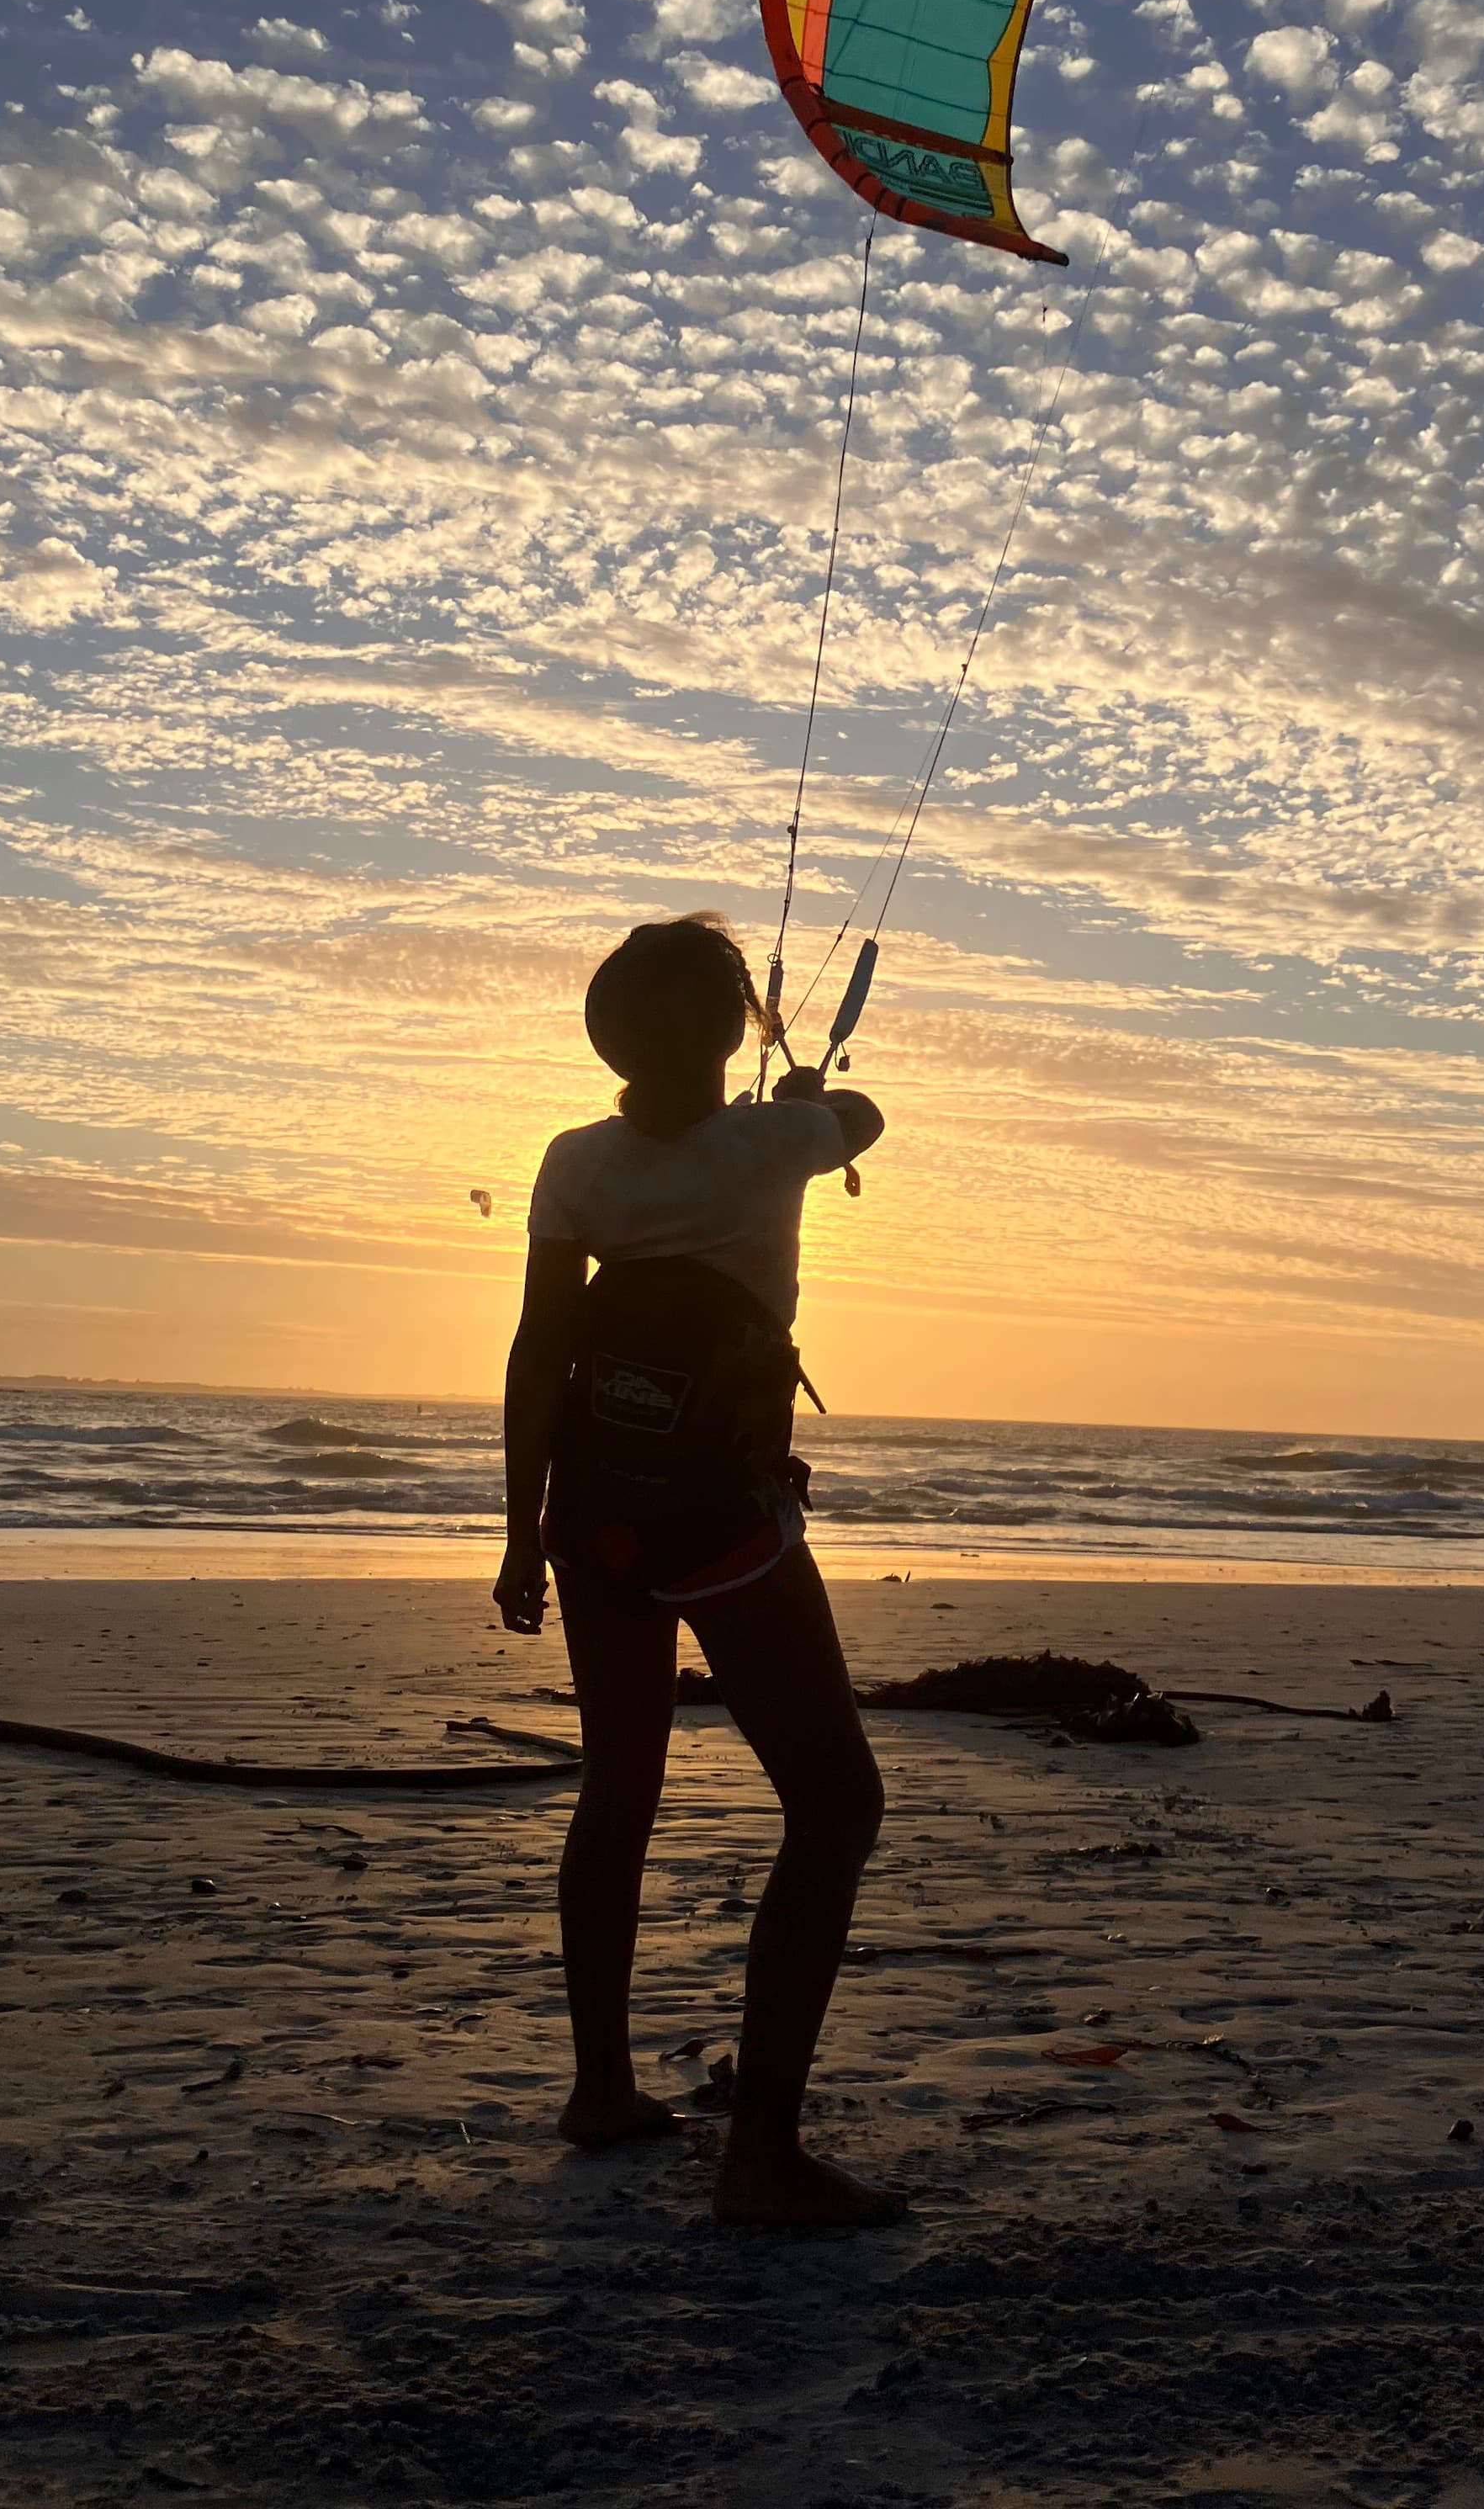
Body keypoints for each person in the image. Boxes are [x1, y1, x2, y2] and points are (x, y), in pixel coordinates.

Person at [493, 913, 904, 2233]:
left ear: (608, 1040)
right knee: (835, 1806)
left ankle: (601, 2090)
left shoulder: (572, 1163)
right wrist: (799, 1089)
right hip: (724, 1527)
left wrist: (521, 1529)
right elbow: (874, 1117)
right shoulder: (776, 1143)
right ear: (734, 1029)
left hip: (596, 1520)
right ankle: (761, 2159)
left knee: (618, 1793)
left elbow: (537, 1353)